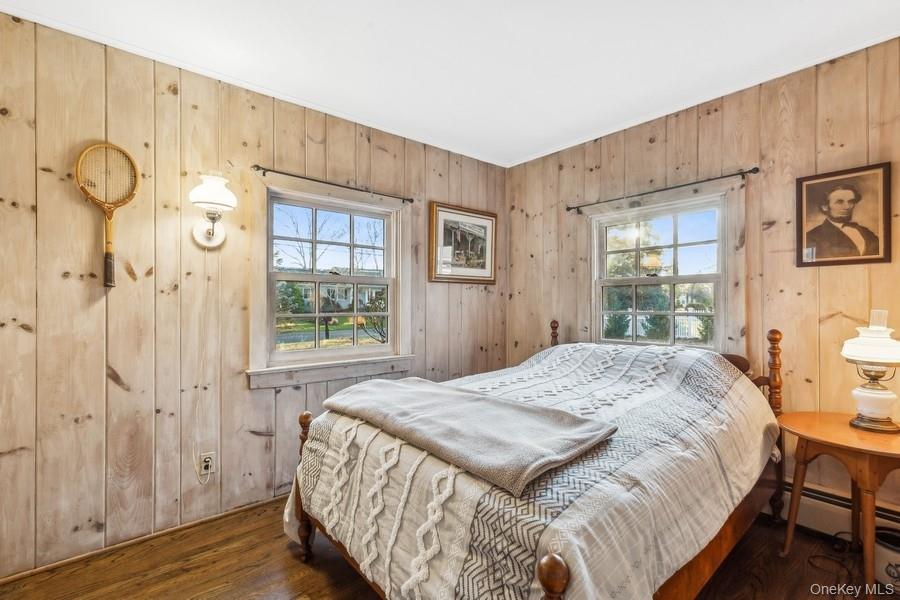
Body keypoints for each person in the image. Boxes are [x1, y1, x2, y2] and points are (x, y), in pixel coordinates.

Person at [805, 183, 879, 259]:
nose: (847, 207)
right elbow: (808, 263)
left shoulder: (866, 232)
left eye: (851, 202)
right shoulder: (811, 237)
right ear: (825, 207)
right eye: (839, 202)